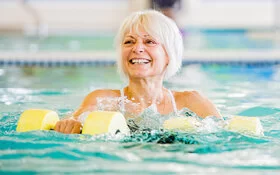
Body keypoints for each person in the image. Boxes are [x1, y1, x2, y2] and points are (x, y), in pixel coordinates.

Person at [54, 10, 221, 134]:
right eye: (129, 42)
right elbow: (74, 120)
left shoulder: (192, 103)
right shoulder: (103, 100)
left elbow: (224, 135)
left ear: (168, 54)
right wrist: (72, 125)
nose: (137, 48)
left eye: (149, 41)